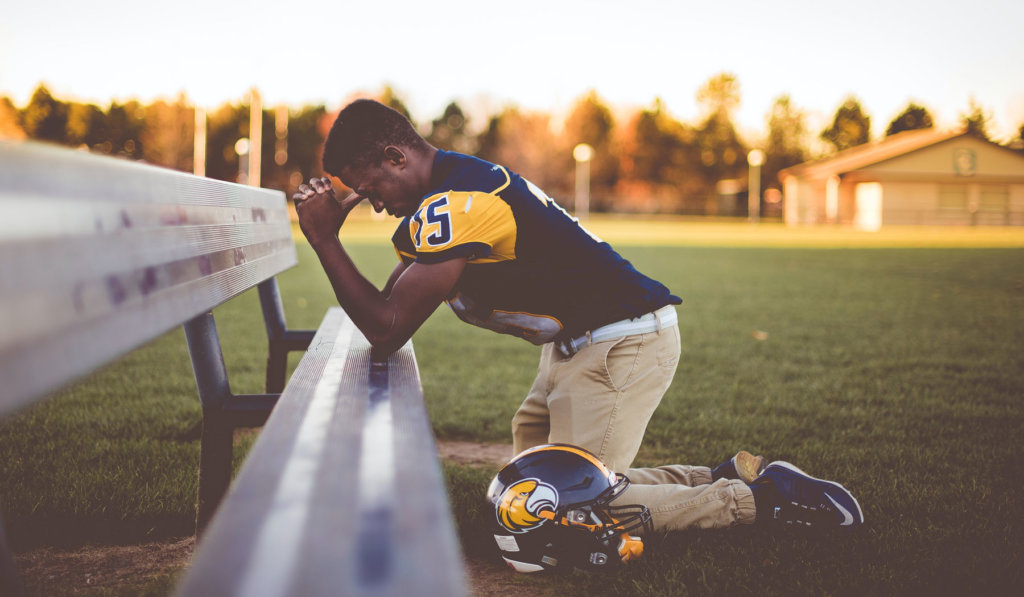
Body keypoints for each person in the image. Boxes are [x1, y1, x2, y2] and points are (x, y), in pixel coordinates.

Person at [292, 99, 863, 552]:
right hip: (582, 345)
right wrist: (330, 238)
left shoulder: (456, 202)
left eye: (371, 190)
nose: (374, 205)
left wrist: (322, 239)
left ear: (396, 157)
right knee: (527, 491)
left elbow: (388, 327)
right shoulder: (449, 189)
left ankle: (766, 501)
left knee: (570, 508)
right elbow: (386, 309)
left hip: (620, 344)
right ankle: (724, 475)